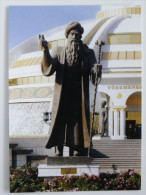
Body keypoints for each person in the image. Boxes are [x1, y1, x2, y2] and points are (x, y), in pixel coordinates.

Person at [40, 21, 102, 156]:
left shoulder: (88, 52)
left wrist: (96, 69)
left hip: (78, 93)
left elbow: (92, 68)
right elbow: (49, 68)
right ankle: (59, 149)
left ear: (81, 38)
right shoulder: (59, 50)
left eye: (78, 35)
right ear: (67, 36)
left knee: (76, 121)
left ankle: (76, 148)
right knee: (60, 119)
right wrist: (45, 50)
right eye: (72, 34)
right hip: (62, 92)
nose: (75, 37)